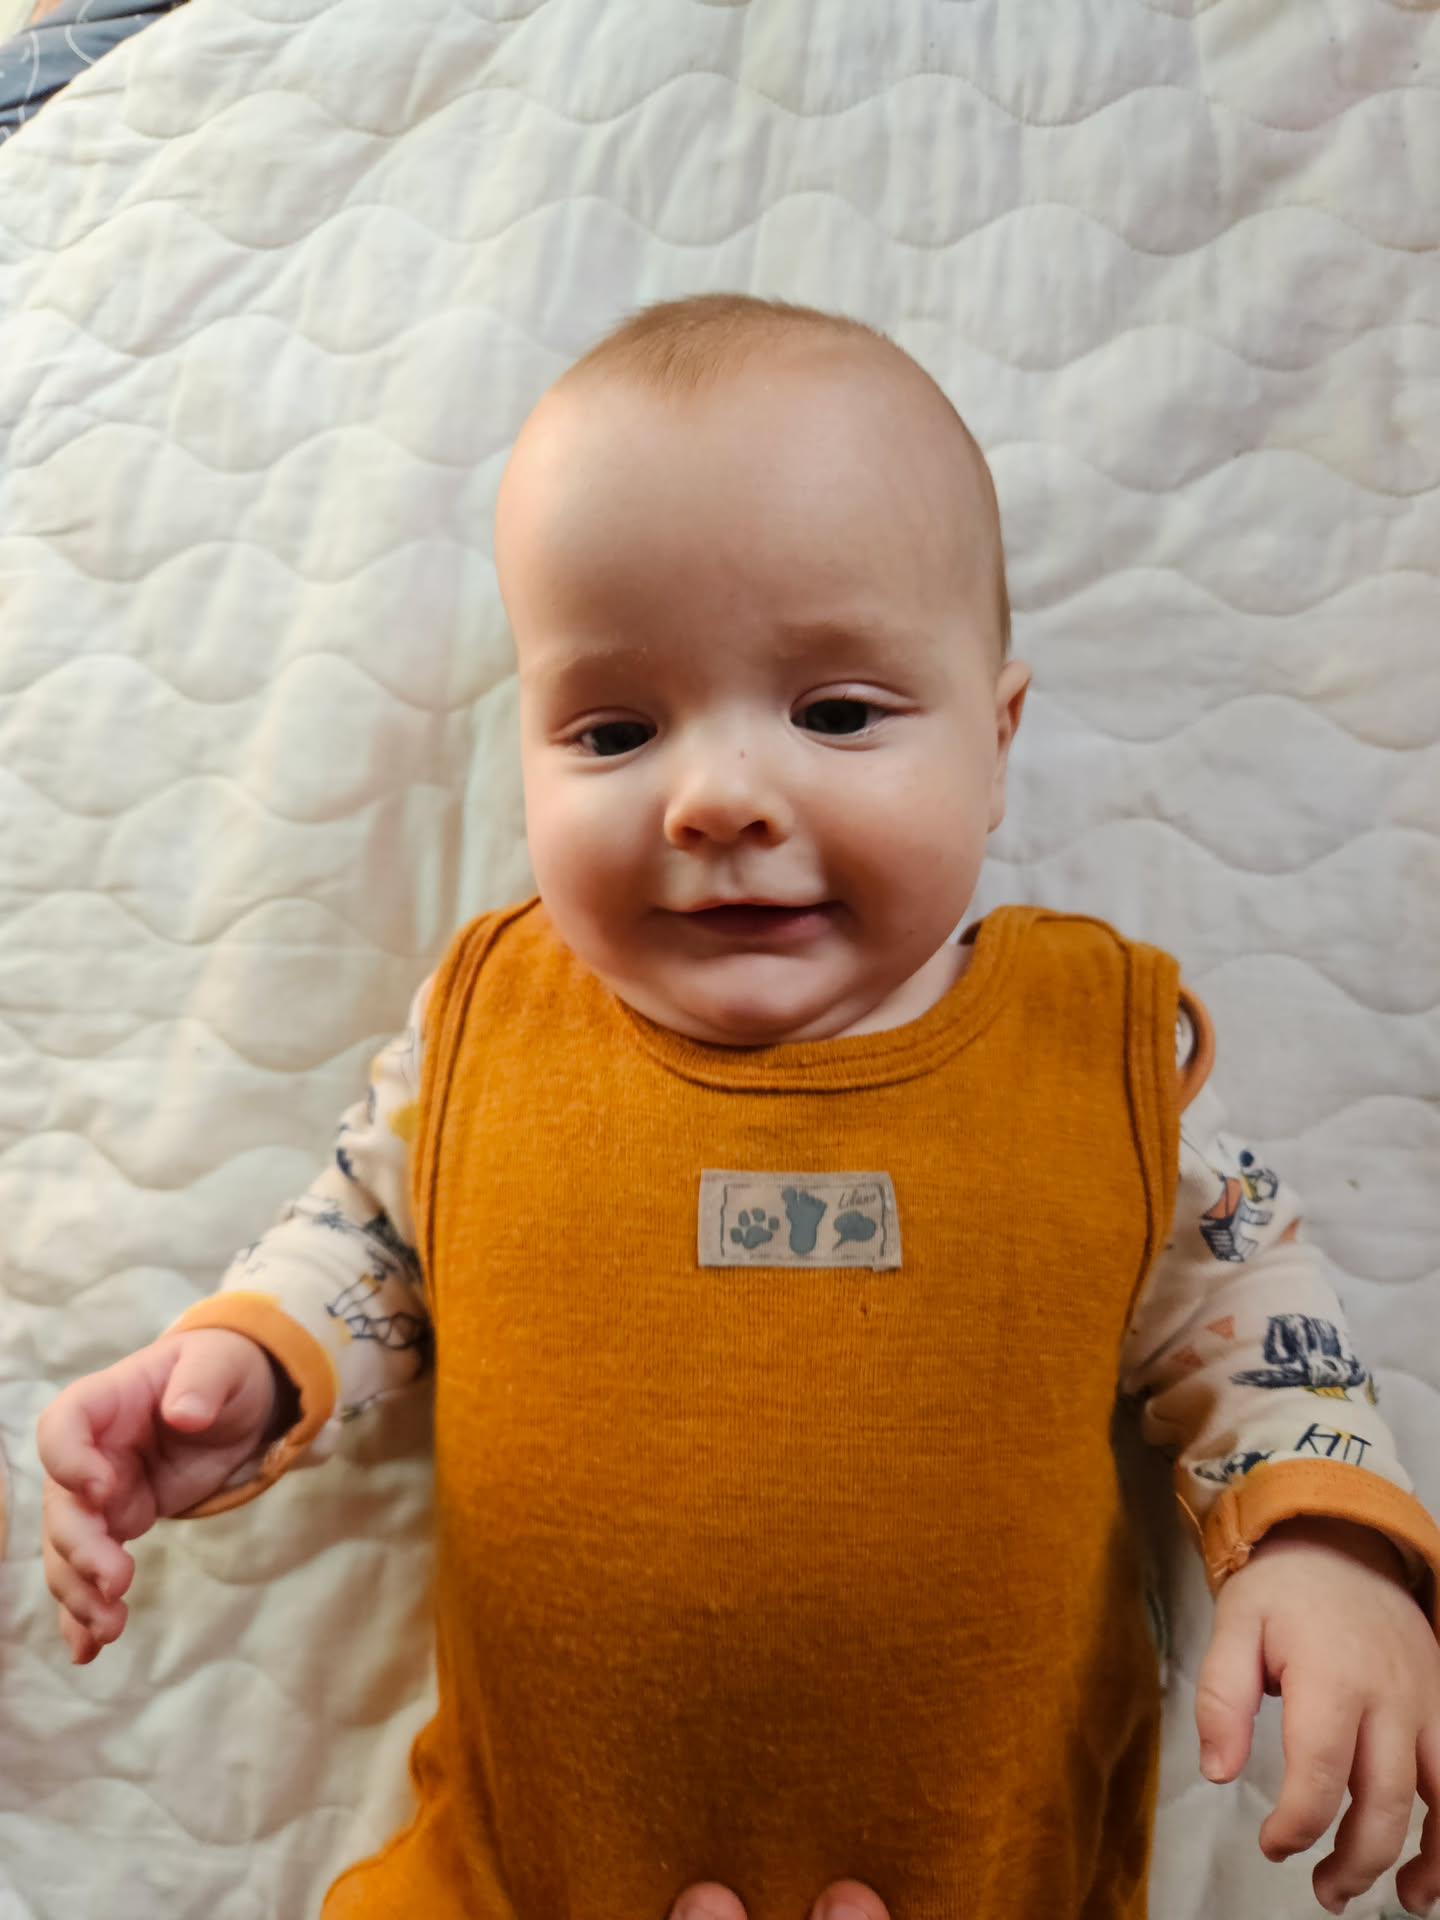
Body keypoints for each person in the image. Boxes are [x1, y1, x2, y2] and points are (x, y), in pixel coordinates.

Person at [37, 294, 1440, 1920]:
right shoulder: (494, 1024)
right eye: (615, 730)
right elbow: (369, 1235)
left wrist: (1326, 1547)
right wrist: (252, 1364)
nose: (713, 799)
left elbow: (1254, 1318)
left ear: (996, 745)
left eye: (837, 713)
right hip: (513, 1880)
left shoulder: (1096, 1055)